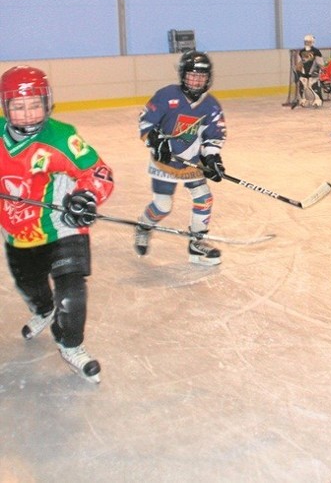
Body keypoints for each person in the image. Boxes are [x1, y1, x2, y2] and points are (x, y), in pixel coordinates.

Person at [0, 66, 115, 383]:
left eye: (35, 104)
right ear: (5, 106)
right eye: (19, 106)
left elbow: (99, 172)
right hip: (19, 233)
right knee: (30, 286)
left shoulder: (62, 137)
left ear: (47, 103)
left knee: (73, 293)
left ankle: (71, 345)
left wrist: (87, 198)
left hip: (63, 225)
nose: (28, 114)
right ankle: (42, 309)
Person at [134, 50, 227, 265]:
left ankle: (197, 245)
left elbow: (214, 136)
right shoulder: (167, 95)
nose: (196, 81)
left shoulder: (211, 105)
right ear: (183, 76)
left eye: (201, 76)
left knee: (204, 199)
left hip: (191, 162)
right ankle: (144, 225)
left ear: (208, 78)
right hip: (165, 162)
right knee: (163, 206)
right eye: (192, 75)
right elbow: (146, 121)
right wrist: (156, 142)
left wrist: (212, 158)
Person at [294, 34, 325, 108]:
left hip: (313, 73)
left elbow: (320, 62)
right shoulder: (301, 51)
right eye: (306, 42)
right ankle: (304, 99)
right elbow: (300, 62)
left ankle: (318, 99)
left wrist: (322, 70)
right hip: (304, 73)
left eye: (309, 41)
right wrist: (297, 71)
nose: (307, 43)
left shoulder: (316, 51)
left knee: (313, 86)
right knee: (303, 86)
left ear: (312, 42)